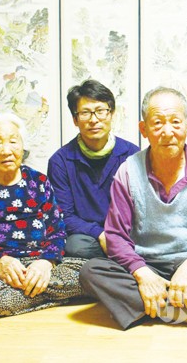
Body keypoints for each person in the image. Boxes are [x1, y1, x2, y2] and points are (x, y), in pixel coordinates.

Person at [80, 87, 187, 333]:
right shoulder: (127, 171)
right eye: (157, 123)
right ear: (143, 129)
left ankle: (153, 306)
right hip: (147, 263)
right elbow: (115, 235)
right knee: (91, 272)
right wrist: (141, 273)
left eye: (175, 122)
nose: (167, 132)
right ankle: (182, 312)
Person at [0, 112, 86, 317]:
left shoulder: (38, 181)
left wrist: (46, 263)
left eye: (13, 142)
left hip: (38, 263)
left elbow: (57, 232)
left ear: (22, 147)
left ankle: (25, 289)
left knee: (92, 273)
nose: (7, 150)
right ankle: (53, 294)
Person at [48, 80, 139, 258]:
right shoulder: (60, 161)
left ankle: (120, 252)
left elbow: (141, 207)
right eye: (85, 113)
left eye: (100, 111)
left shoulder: (131, 154)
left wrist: (116, 236)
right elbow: (64, 215)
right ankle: (122, 254)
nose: (94, 119)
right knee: (75, 246)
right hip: (89, 236)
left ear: (112, 114)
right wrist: (100, 234)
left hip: (126, 232)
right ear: (75, 119)